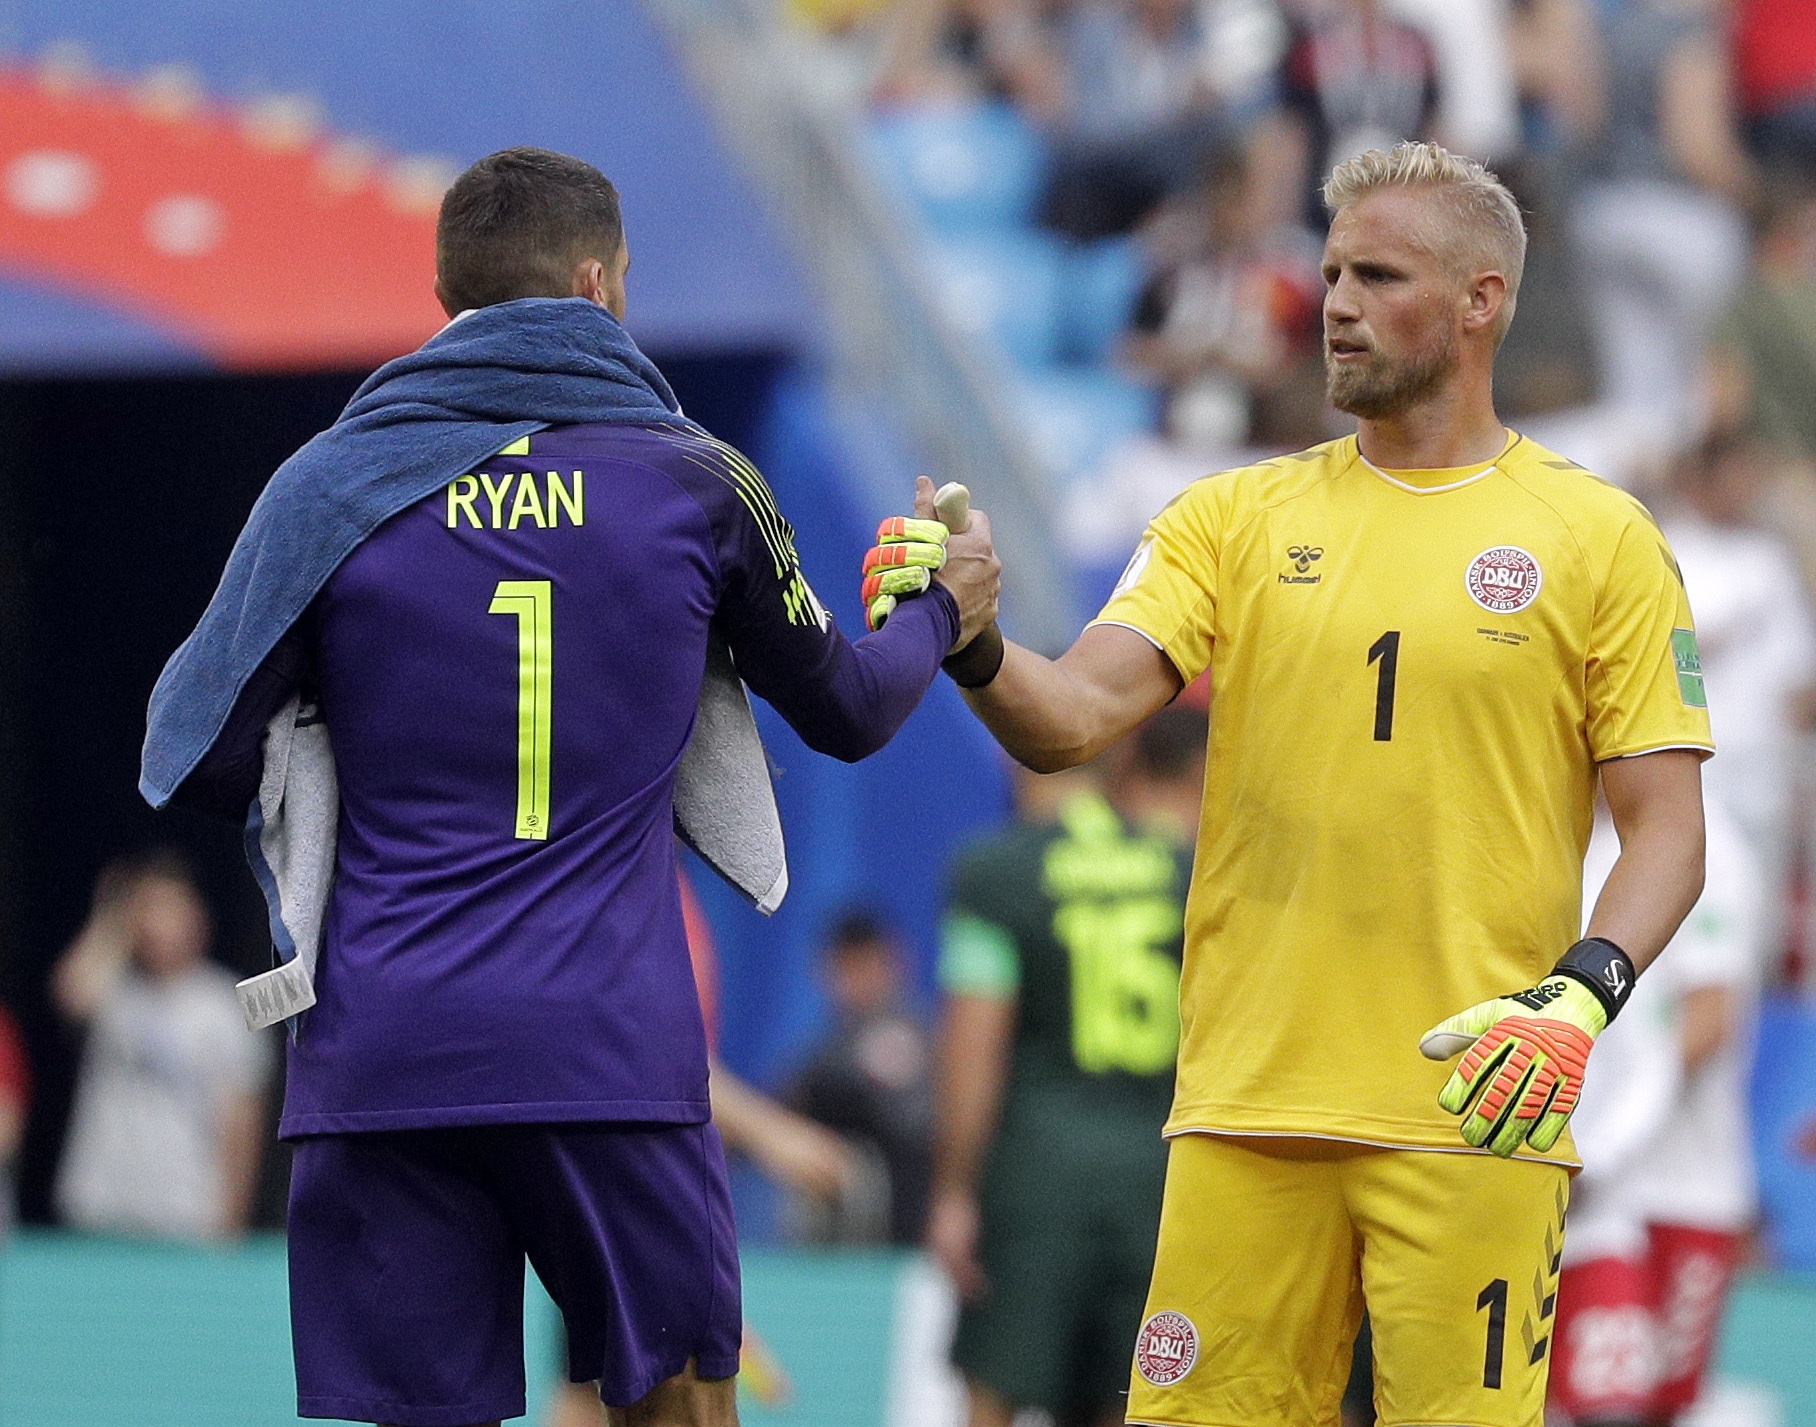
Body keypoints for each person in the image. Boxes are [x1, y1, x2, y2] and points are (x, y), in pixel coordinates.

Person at [145, 147, 999, 1427]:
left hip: (385, 1051)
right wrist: (939, 610)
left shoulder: (327, 484)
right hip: (607, 1049)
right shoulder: (696, 478)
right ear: (598, 285)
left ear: (446, 300)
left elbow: (193, 748)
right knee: (682, 1409)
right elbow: (850, 708)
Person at [872, 140, 1710, 1426]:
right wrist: (972, 639)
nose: (1335, 304)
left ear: (1480, 299)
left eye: (1379, 276)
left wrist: (1581, 993)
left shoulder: (1600, 540)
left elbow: (1667, 831)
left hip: (1472, 1110)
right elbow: (1071, 718)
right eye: (1330, 274)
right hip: (1244, 1113)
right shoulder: (1228, 519)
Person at [929, 704, 1204, 1427]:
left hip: (1033, 1180)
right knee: (1131, 1400)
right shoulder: (1183, 869)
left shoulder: (996, 872)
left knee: (992, 1393)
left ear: (1012, 754)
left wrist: (954, 1190)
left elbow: (974, 1046)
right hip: (1159, 1182)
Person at [1549, 797, 1764, 1427]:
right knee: (1583, 1399)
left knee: (1653, 1409)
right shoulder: (1569, 835)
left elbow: (1708, 1019)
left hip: (1680, 1191)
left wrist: (1604, 1150)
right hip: (1591, 1193)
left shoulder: (1705, 846)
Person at [52, 851, 268, 1242]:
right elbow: (70, 995)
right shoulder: (113, 988)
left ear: (197, 919)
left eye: (170, 910)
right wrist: (113, 913)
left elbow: (241, 1122)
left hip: (185, 1213)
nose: (159, 924)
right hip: (100, 1208)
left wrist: (231, 1224)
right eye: (149, 910)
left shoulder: (226, 1003)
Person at [787, 908, 934, 1245]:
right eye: (847, 968)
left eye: (866, 965)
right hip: (845, 1237)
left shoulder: (917, 1036)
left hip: (912, 1228)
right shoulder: (826, 1052)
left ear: (893, 963)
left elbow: (913, 1124)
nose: (858, 981)